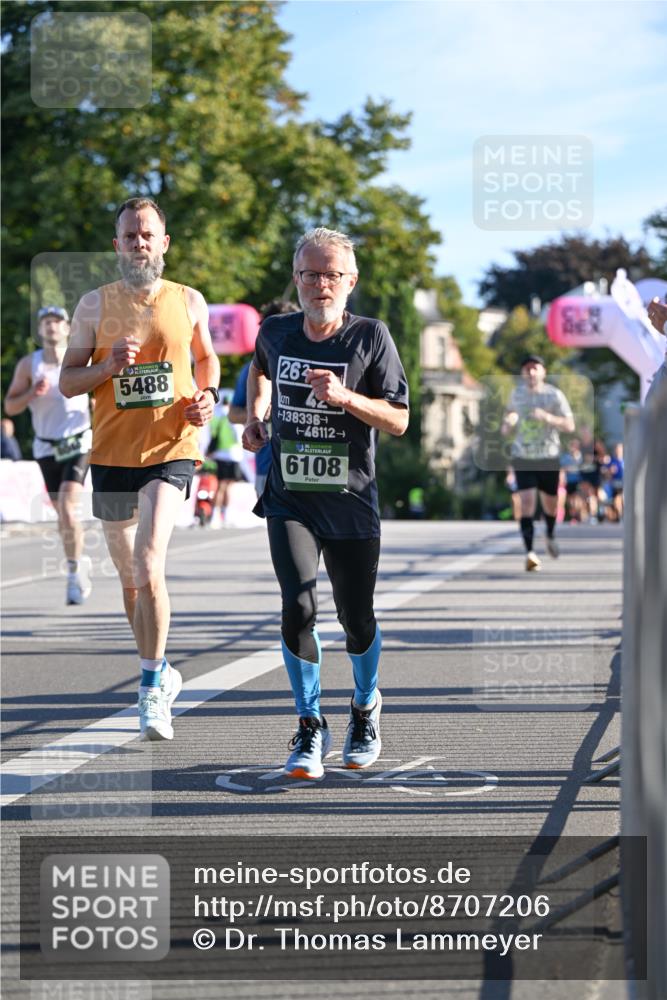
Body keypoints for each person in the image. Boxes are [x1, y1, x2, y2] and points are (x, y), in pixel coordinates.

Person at [242, 227, 409, 780]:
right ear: (296, 279)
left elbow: (400, 419)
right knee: (299, 607)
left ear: (351, 281)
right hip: (291, 497)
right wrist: (255, 418)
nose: (320, 285)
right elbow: (259, 368)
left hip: (351, 499)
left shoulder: (370, 337)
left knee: (355, 619)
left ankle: (365, 706)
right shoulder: (277, 331)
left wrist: (344, 398)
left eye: (331, 275)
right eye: (310, 274)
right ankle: (310, 724)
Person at [59, 198, 220, 741]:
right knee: (131, 581)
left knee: (150, 562)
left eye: (147, 234)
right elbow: (68, 381)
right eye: (129, 236)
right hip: (110, 455)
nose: (139, 243)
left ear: (165, 243)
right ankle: (163, 668)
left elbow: (206, 360)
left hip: (171, 446)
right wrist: (106, 366)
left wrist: (209, 395)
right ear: (117, 246)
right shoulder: (91, 306)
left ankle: (150, 687)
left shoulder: (189, 301)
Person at [5, 306, 93, 603]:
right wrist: (31, 394)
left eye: (57, 321)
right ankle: (77, 559)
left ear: (68, 328)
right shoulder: (30, 365)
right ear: (40, 330)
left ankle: (73, 572)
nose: (51, 326)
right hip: (45, 446)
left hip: (78, 442)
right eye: (46, 322)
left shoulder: (81, 359)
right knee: (62, 513)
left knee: (68, 508)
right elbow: (10, 408)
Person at [501, 354, 575, 571]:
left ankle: (550, 533)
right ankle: (530, 553)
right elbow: (505, 428)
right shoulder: (516, 394)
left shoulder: (554, 395)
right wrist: (508, 422)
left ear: (543, 371)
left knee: (550, 505)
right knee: (526, 503)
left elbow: (570, 425)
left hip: (548, 456)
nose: (531, 372)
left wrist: (548, 418)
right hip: (523, 456)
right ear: (523, 373)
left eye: (535, 368)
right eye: (527, 369)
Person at [229, 300, 299, 497]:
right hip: (267, 467)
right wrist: (256, 414)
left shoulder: (315, 362)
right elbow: (233, 414)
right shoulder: (253, 369)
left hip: (308, 463)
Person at [206, 394, 245, 527]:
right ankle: (224, 516)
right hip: (233, 455)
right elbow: (239, 437)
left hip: (219, 455)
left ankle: (214, 516)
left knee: (220, 486)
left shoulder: (217, 416)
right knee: (227, 487)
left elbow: (211, 435)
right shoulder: (232, 417)